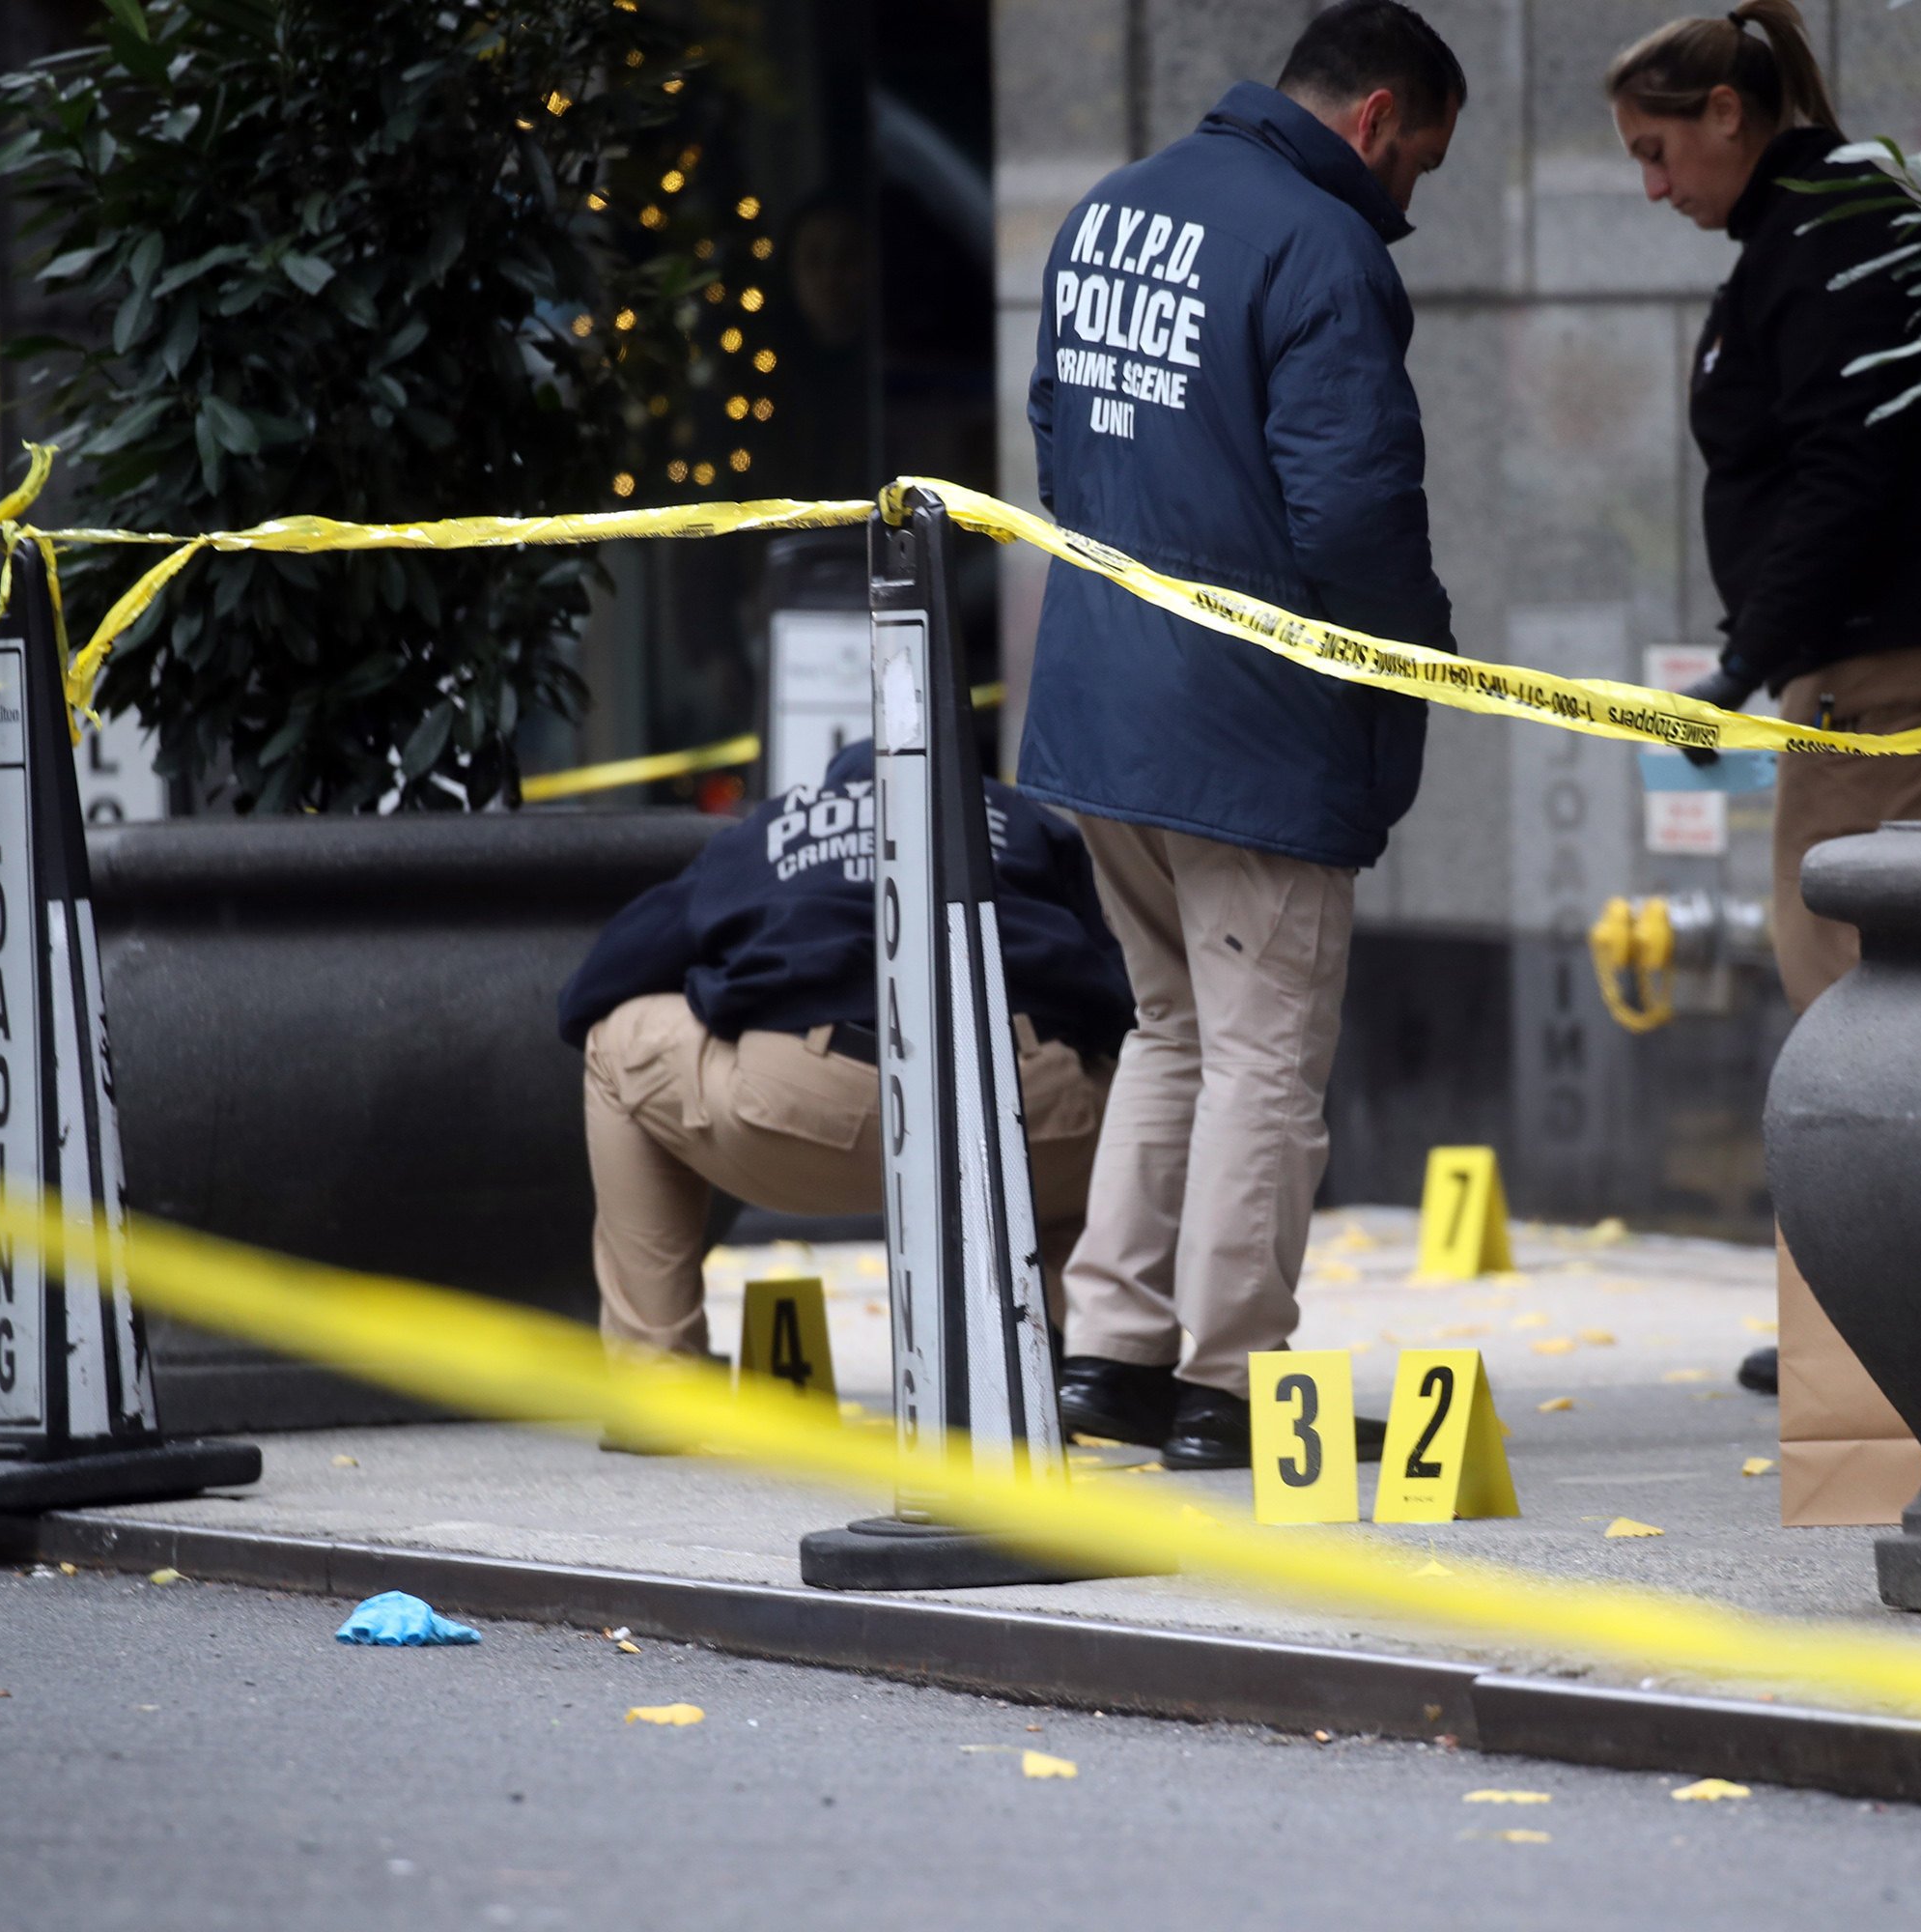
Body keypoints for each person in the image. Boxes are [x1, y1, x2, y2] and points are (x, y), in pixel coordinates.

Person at [1017, 1, 1463, 1469]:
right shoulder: (1317, 244)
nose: (1408, 208)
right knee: (1264, 1058)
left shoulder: (1109, 211)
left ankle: (1113, 1357)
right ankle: (1229, 1383)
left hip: (1103, 708)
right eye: (1419, 171)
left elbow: (1057, 436)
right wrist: (1411, 677)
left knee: (1170, 1035)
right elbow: (1352, 514)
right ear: (1376, 120)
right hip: (1255, 731)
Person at [1608, 4, 1921, 1400]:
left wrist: (1740, 661)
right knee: (1856, 977)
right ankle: (1879, 1314)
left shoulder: (1825, 232)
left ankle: (1873, 1327)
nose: (1655, 188)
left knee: (1835, 983)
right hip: (1862, 647)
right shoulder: (1810, 226)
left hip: (1868, 656)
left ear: (1730, 113)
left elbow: (1847, 470)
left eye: (1661, 152)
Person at [559, 745, 1134, 1402]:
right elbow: (1118, 994)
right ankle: (1071, 1362)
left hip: (799, 1106)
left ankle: (655, 1379)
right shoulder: (1027, 824)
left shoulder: (770, 830)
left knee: (616, 1042)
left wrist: (723, 993)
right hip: (1016, 1119)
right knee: (1140, 1091)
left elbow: (595, 987)